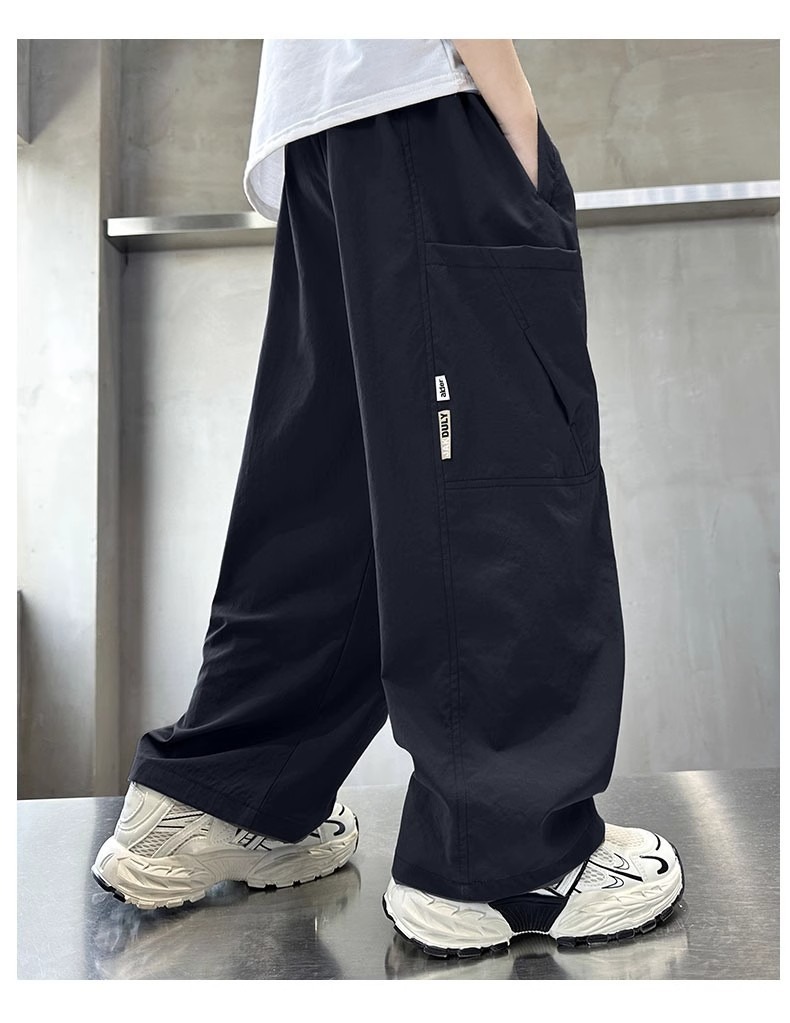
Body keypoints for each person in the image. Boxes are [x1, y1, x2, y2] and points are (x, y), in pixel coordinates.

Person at [91, 39, 684, 957]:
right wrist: (512, 108)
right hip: (429, 90)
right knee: (503, 479)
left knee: (334, 494)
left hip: (318, 117)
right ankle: (504, 858)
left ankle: (222, 795)